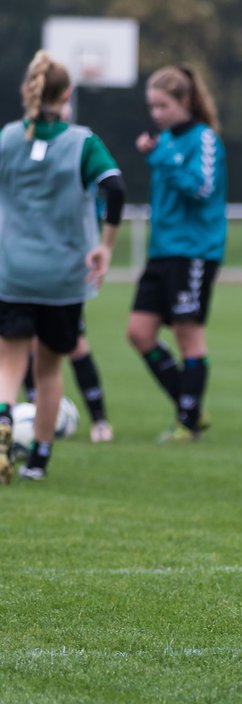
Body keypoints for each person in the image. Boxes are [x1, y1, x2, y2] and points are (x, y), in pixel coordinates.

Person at [0, 50, 125, 483]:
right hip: (62, 276)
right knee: (49, 369)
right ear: (67, 94)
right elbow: (115, 187)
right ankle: (38, 460)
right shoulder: (82, 142)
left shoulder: (8, 138)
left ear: (26, 92)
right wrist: (105, 246)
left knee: (8, 366)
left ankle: (2, 423)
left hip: (12, 270)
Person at [128, 65, 227, 443]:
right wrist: (160, 154)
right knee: (138, 332)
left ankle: (187, 423)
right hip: (162, 251)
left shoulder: (203, 140)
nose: (156, 115)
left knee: (189, 336)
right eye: (152, 107)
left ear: (184, 101)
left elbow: (201, 188)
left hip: (194, 251)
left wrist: (163, 159)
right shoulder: (166, 142)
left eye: (163, 106)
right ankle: (191, 406)